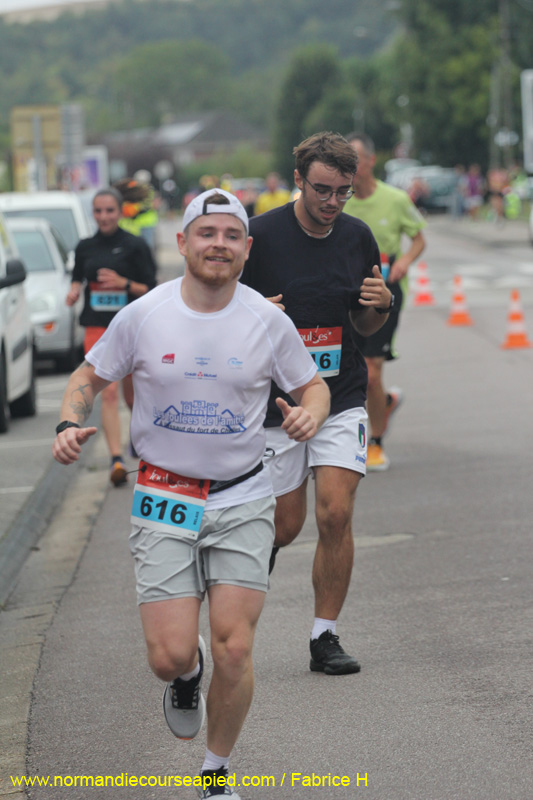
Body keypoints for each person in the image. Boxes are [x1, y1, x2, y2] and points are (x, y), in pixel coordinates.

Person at [53, 189, 330, 798]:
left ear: (247, 248)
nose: (218, 245)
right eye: (207, 233)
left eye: (231, 236)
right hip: (164, 494)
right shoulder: (144, 315)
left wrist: (311, 412)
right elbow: (88, 375)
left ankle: (215, 773)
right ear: (182, 242)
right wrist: (69, 421)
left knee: (236, 648)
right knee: (168, 656)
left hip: (242, 496)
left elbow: (313, 385)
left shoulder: (267, 320)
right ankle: (187, 672)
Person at [241, 131, 392, 675]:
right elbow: (218, 312)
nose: (332, 202)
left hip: (341, 394)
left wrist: (380, 306)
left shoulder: (357, 237)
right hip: (277, 404)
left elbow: (364, 324)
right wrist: (254, 311)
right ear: (299, 180)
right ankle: (234, 610)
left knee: (335, 511)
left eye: (342, 191)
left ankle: (324, 636)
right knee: (284, 526)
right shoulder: (258, 236)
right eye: (322, 189)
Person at [344, 132, 426, 471]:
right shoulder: (339, 200)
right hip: (347, 292)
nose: (351, 168)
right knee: (351, 370)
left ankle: (375, 442)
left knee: (372, 372)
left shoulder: (395, 199)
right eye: (345, 161)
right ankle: (384, 403)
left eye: (355, 160)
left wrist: (405, 261)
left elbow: (418, 239)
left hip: (385, 291)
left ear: (371, 161)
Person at [66, 187, 157, 486]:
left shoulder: (135, 245)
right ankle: (116, 460)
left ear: (120, 212)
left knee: (132, 396)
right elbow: (77, 278)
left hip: (130, 327)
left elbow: (152, 290)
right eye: (98, 211)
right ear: (92, 213)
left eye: (109, 211)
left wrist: (123, 283)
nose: (103, 217)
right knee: (106, 392)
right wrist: (74, 291)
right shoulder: (84, 247)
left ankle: (146, 448)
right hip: (96, 327)